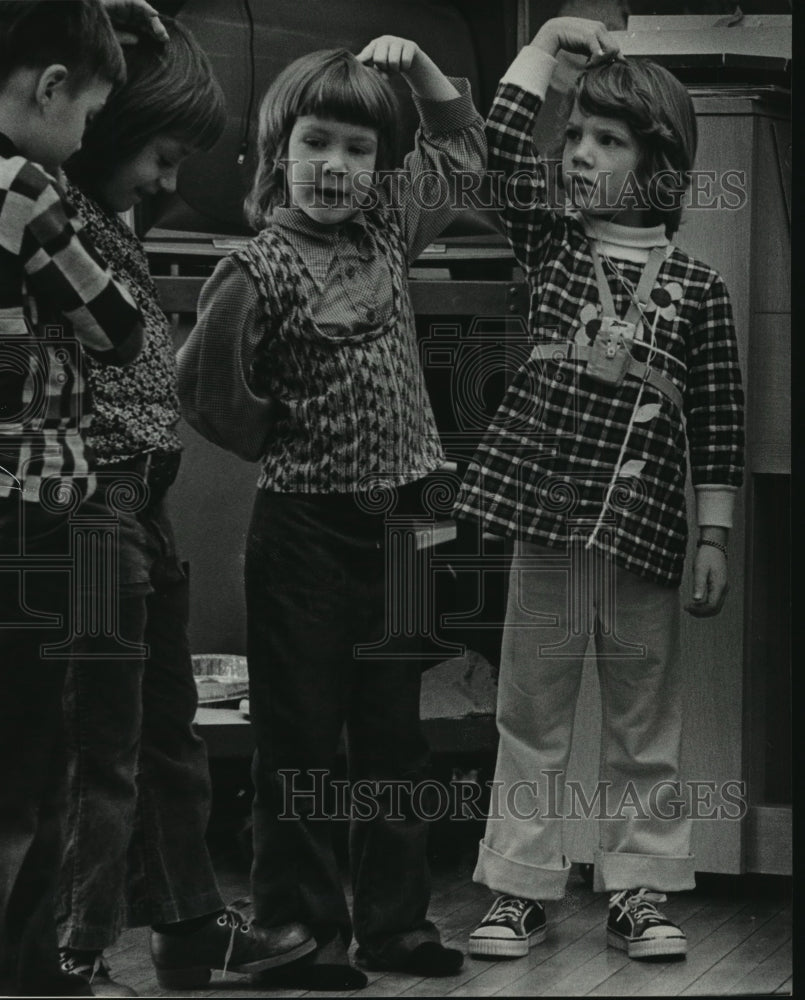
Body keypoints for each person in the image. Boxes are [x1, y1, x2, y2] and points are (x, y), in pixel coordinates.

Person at [177, 37, 486, 991]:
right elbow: (207, 386)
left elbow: (464, 153)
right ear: (280, 152)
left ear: (378, 169)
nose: (336, 167)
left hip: (398, 529)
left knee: (393, 736)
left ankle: (395, 927)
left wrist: (427, 72)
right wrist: (278, 434)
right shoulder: (256, 268)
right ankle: (302, 934)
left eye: (358, 150)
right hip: (303, 536)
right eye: (318, 142)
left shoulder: (389, 229)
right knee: (300, 739)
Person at [453, 17, 744, 962]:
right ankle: (517, 890)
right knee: (528, 713)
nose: (578, 153)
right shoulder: (550, 245)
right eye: (574, 136)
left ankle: (639, 888)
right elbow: (499, 151)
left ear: (655, 160)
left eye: (606, 140)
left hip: (650, 535)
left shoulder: (699, 289)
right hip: (549, 522)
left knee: (641, 721)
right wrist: (541, 46)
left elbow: (719, 420)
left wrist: (713, 534)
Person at [54, 18, 316, 997]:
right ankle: (71, 947)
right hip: (88, 509)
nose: (171, 182)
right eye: (161, 157)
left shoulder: (112, 216)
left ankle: (188, 926)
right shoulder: (37, 209)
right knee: (102, 747)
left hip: (142, 506)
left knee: (171, 733)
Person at [0, 2, 147, 995]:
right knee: (28, 748)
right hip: (22, 494)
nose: (87, 137)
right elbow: (117, 326)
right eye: (89, 115)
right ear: (51, 89)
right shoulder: (20, 186)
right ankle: (22, 961)